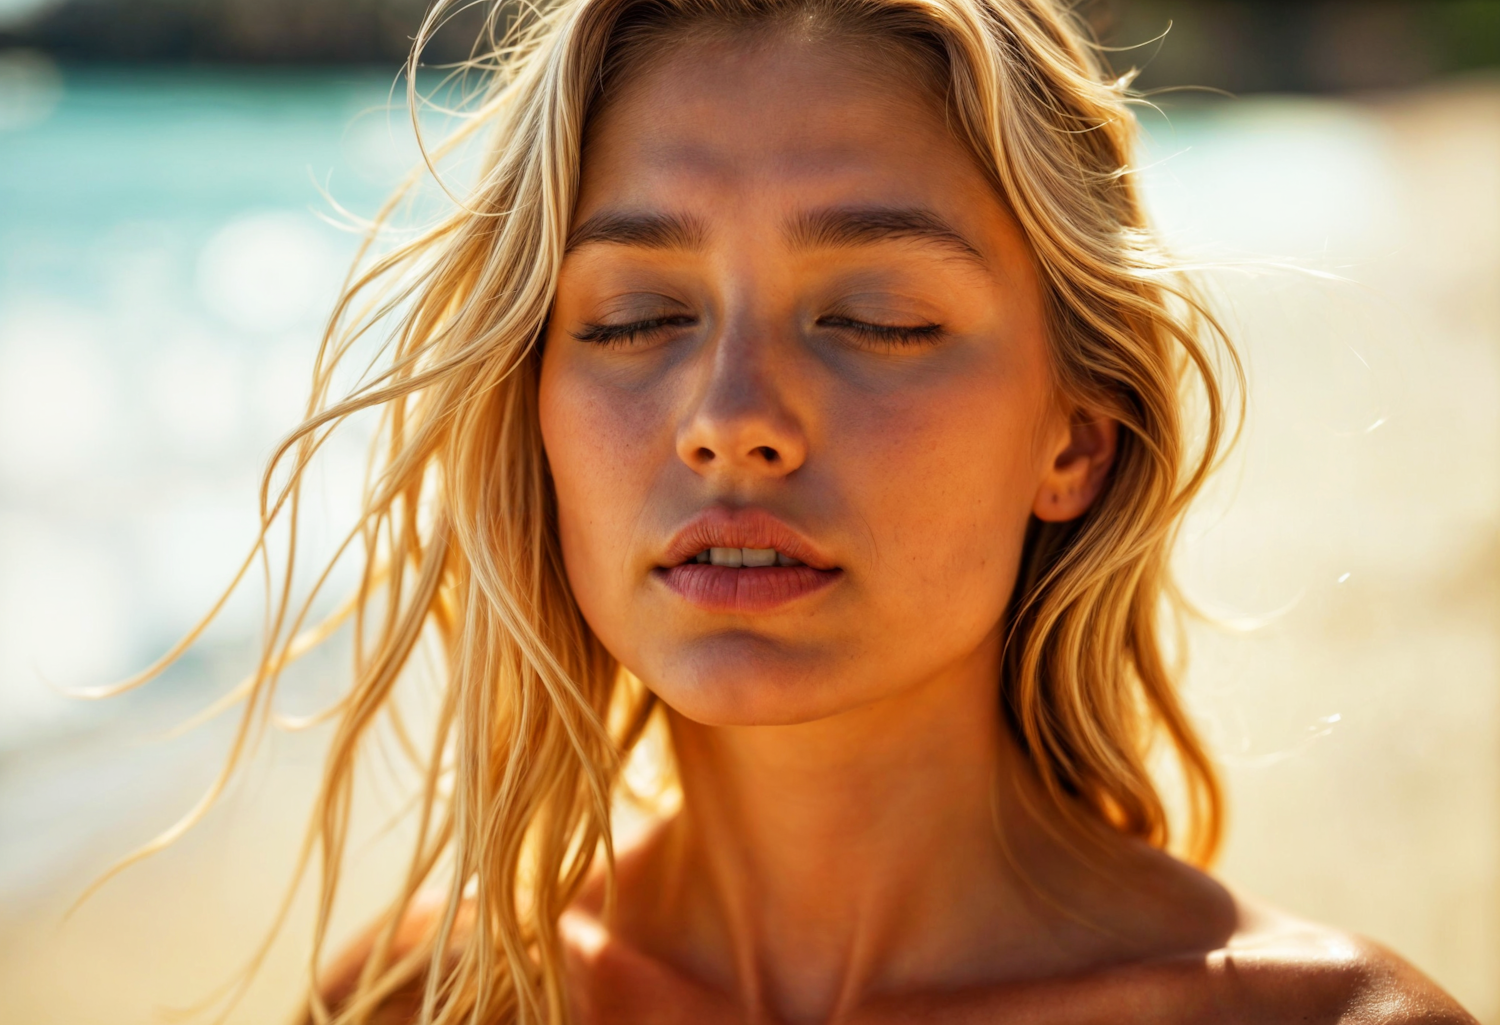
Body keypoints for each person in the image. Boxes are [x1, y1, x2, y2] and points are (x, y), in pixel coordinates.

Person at [130, 0, 1470, 1021]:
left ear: (1077, 436)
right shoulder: (433, 998)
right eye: (637, 317)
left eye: (875, 319)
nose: (731, 414)